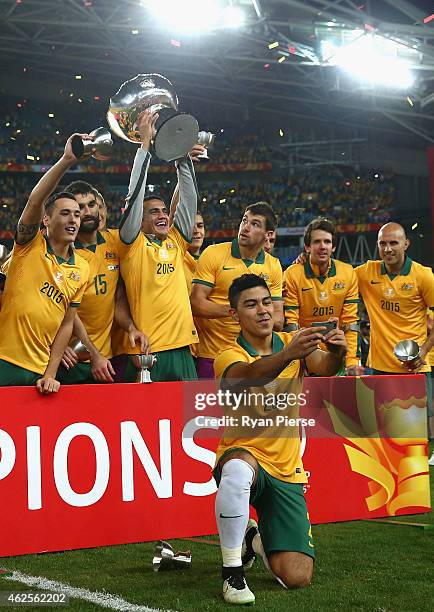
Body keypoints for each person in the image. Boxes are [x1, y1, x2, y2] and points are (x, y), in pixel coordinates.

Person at [213, 273, 347, 604]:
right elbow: (245, 378)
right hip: (245, 454)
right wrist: (288, 354)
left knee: (297, 577)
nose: (262, 310)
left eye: (266, 302)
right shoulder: (228, 354)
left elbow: (325, 367)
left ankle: (253, 540)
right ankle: (232, 574)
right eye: (250, 304)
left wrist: (338, 353)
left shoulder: (293, 342)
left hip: (287, 469)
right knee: (238, 470)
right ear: (234, 315)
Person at [115, 110, 201, 381]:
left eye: (164, 210)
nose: (163, 215)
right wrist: (144, 145)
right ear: (139, 219)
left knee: (189, 421)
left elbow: (189, 200)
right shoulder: (132, 244)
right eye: (153, 212)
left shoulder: (176, 240)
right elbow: (134, 197)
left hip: (184, 349)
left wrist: (182, 157)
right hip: (147, 353)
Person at [0, 135, 90, 392]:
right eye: (64, 213)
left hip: (37, 371)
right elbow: (35, 201)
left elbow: (66, 324)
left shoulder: (82, 268)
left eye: (76, 214)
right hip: (4, 359)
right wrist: (66, 161)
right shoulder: (29, 244)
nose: (73, 219)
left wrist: (50, 373)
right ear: (46, 221)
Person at [57, 180, 148, 384]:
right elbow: (59, 308)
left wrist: (131, 328)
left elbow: (116, 298)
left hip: (105, 358)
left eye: (91, 204)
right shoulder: (62, 251)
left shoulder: (115, 241)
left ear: (99, 207)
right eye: (80, 208)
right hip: (68, 357)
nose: (87, 211)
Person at [355, 222, 434, 433]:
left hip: (414, 365)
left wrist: (424, 351)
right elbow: (339, 277)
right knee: (383, 429)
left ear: (406, 244)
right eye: (382, 243)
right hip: (379, 366)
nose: (387, 249)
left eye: (393, 243)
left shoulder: (423, 275)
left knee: (423, 429)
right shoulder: (366, 272)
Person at [190, 202, 284, 379]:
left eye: (255, 224)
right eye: (244, 220)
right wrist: (237, 311)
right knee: (212, 407)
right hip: (213, 356)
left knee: (257, 408)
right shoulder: (213, 254)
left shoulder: (274, 266)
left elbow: (278, 319)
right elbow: (195, 303)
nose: (246, 227)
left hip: (257, 358)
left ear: (268, 235)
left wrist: (255, 314)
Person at [283, 218, 360, 374]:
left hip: (336, 356)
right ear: (307, 247)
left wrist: (352, 362)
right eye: (317, 242)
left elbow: (350, 323)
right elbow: (291, 324)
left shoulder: (347, 273)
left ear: (333, 247)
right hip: (305, 357)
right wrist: (299, 360)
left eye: (327, 242)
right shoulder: (292, 274)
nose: (323, 246)